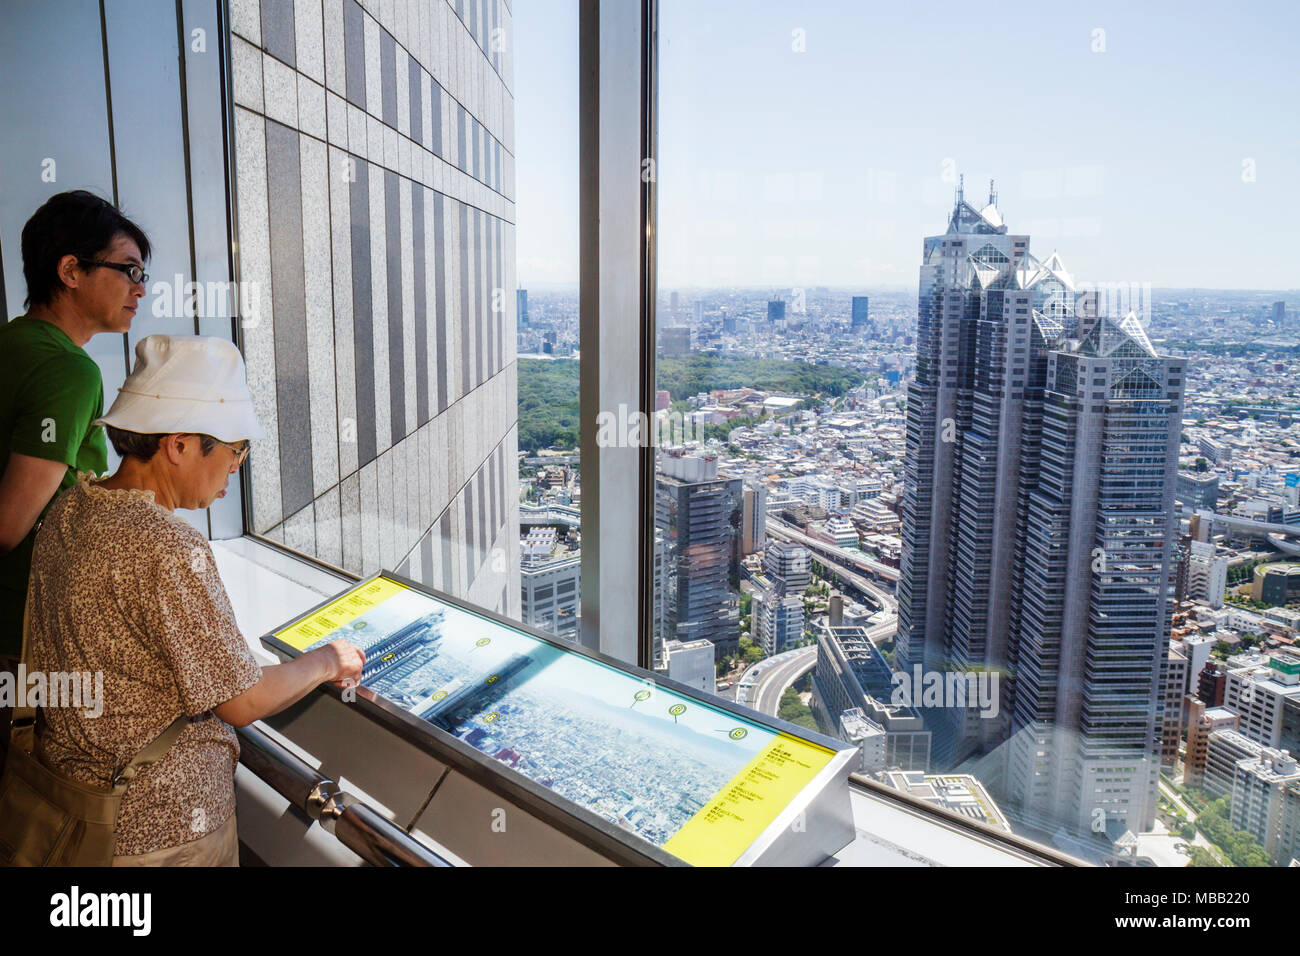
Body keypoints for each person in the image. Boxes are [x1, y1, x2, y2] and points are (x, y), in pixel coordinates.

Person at [26, 334, 364, 866]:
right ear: (178, 445)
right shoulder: (167, 545)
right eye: (235, 450)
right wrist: (326, 660)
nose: (237, 466)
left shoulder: (72, 510)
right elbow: (241, 700)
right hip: (162, 833)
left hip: (75, 808)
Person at [0, 190, 150, 770]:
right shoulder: (70, 369)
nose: (141, 288)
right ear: (70, 271)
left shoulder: (12, 342)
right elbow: (9, 526)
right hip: (22, 637)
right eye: (128, 270)